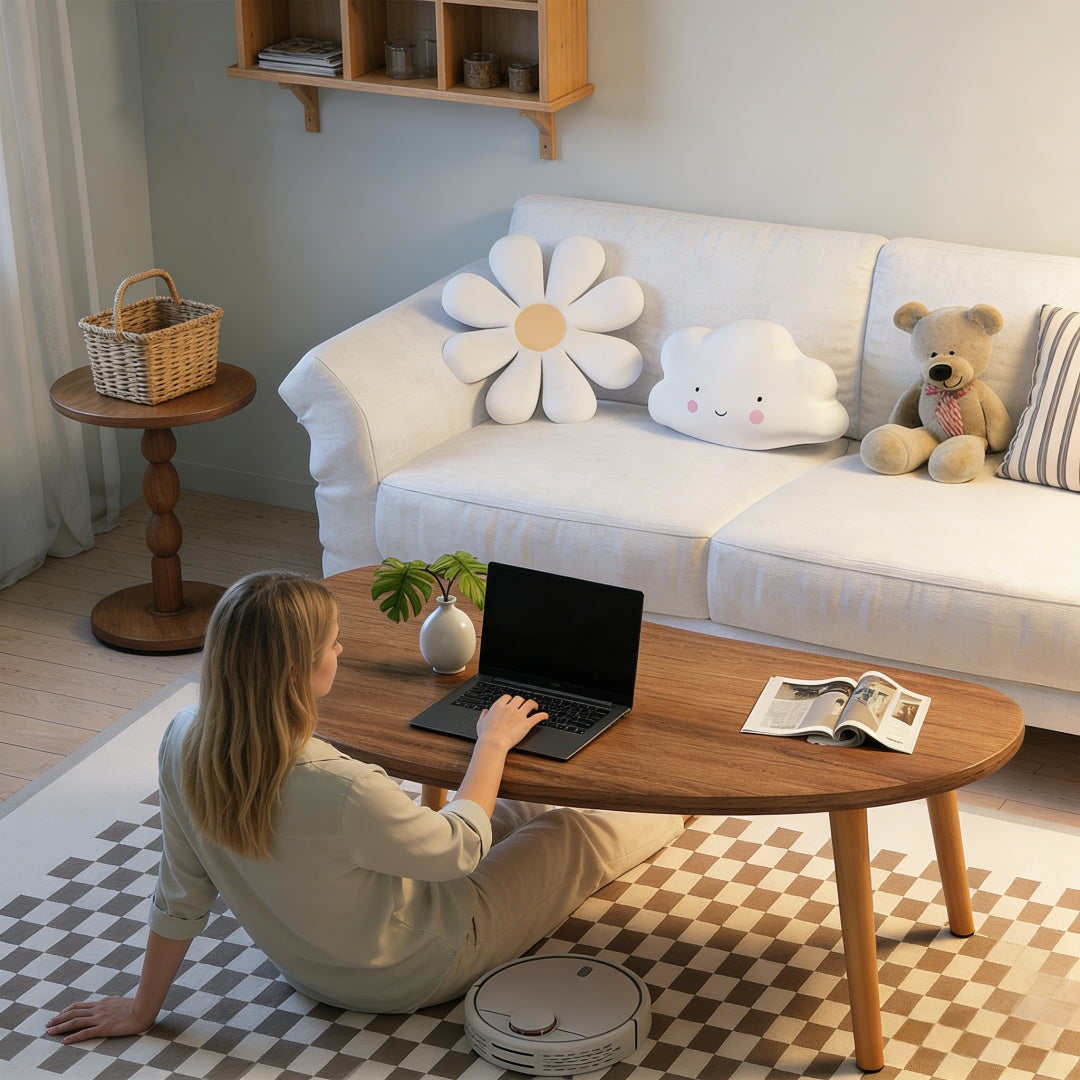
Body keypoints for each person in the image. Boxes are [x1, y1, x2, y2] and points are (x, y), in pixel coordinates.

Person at [48, 570, 684, 1043]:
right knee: (566, 833)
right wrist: (491, 742)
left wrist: (143, 1008)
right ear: (296, 672)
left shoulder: (182, 738)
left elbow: (180, 889)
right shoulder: (339, 785)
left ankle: (524, 792)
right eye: (333, 644)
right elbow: (459, 851)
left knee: (509, 807)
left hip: (307, 967)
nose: (341, 652)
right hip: (416, 965)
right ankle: (677, 812)